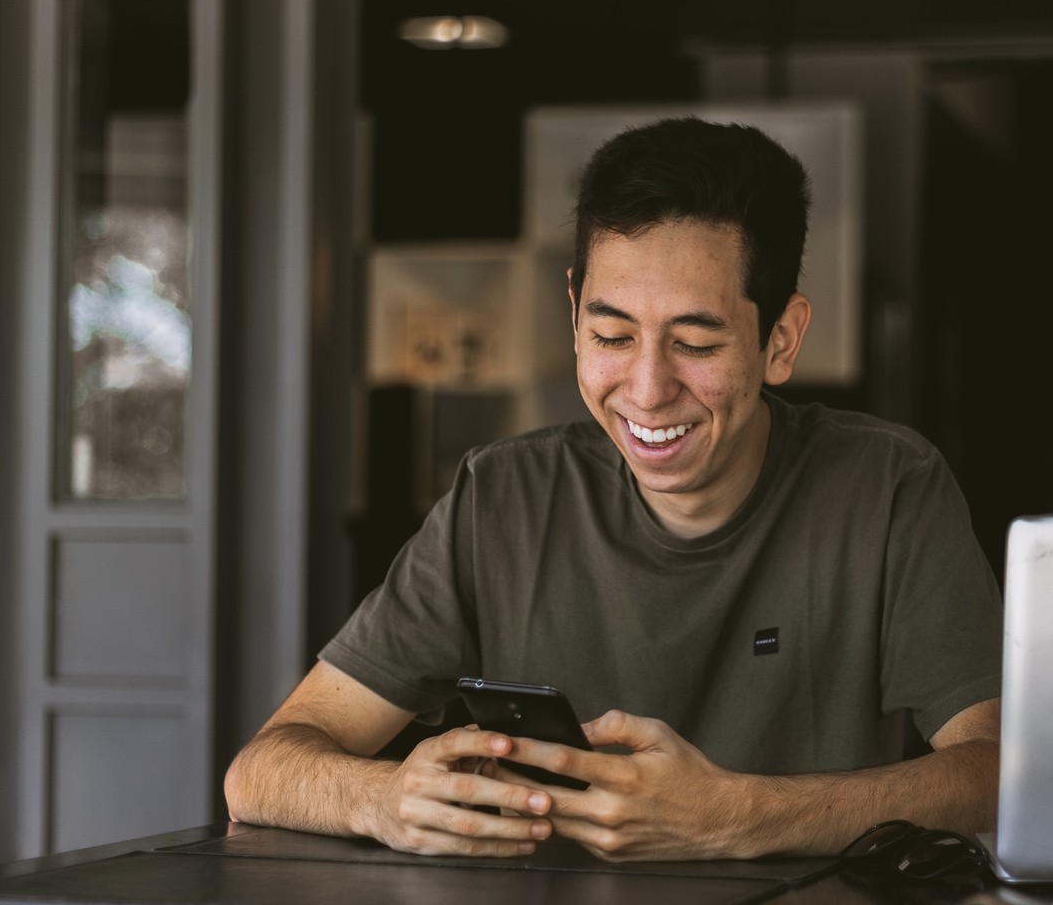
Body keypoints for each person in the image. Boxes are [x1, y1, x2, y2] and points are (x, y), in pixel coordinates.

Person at [224, 117, 1003, 862]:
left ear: (782, 339)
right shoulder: (502, 498)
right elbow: (260, 772)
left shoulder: (888, 486)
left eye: (696, 343)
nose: (647, 388)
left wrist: (733, 817)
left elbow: (997, 775)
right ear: (572, 315)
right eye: (611, 336)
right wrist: (386, 799)